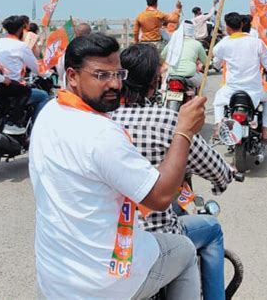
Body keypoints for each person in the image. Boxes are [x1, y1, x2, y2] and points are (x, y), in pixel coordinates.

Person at [29, 33, 206, 299]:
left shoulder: (50, 112)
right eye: (101, 75)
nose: (113, 84)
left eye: (118, 74)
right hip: (104, 282)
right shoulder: (100, 134)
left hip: (55, 278)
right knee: (184, 249)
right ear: (73, 76)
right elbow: (160, 196)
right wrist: (183, 132)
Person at [111, 43, 234, 300]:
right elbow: (215, 168)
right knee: (211, 228)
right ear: (155, 82)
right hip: (158, 235)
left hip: (112, 240)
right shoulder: (168, 120)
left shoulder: (100, 120)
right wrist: (226, 175)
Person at [212, 12, 267, 142]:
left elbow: (215, 56)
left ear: (227, 27)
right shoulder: (257, 43)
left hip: (231, 91)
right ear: (242, 25)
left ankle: (218, 126)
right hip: (254, 91)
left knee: (218, 100)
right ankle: (265, 132)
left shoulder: (224, 43)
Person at [0, 15, 49, 122]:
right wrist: (48, 73)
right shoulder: (21, 46)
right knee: (43, 95)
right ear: (21, 29)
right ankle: (35, 127)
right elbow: (36, 68)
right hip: (14, 86)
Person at [160, 20, 206, 89]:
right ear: (192, 30)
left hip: (172, 74)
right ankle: (198, 99)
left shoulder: (173, 42)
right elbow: (206, 61)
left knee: (164, 87)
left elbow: (162, 55)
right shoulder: (197, 44)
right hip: (189, 75)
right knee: (204, 81)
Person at [56, 22, 92, 88]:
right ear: (90, 34)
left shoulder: (68, 48)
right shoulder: (95, 50)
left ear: (76, 34)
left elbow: (60, 68)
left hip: (71, 85)